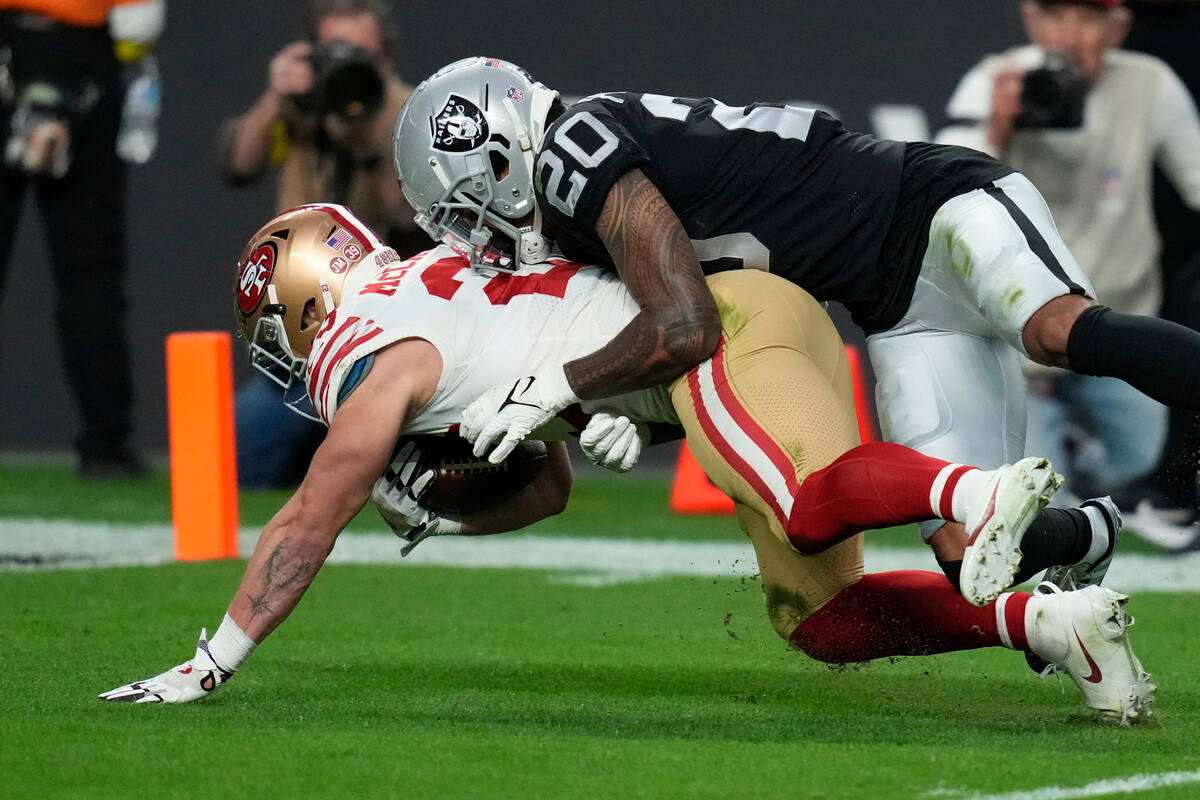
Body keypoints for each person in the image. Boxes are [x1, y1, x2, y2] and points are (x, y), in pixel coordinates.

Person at [99, 204, 1154, 725]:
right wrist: (459, 500)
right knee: (822, 621)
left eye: (277, 332)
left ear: (303, 309)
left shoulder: (378, 364)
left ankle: (972, 491)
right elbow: (549, 484)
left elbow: (305, 520)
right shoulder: (424, 286)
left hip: (717, 330)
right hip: (709, 348)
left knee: (808, 501)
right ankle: (1054, 623)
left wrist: (215, 659)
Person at [391, 56, 1200, 606]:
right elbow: (697, 345)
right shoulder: (574, 217)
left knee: (1054, 330)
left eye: (469, 203)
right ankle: (1089, 533)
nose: (478, 233)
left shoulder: (575, 148)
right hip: (898, 310)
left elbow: (685, 322)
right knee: (966, 553)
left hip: (934, 207)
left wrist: (562, 387)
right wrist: (634, 421)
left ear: (498, 149)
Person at [937, 0, 1200, 505]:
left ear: (1118, 28)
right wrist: (994, 127)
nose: (1070, 34)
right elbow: (934, 186)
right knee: (1036, 501)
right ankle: (1060, 461)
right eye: (1056, 16)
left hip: (1117, 329)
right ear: (1032, 20)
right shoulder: (996, 80)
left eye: (1088, 17)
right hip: (1015, 340)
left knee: (1141, 472)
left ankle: (1080, 459)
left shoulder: (1150, 84)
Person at [218, 0, 426, 488]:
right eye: (334, 52)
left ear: (387, 59)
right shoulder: (299, 107)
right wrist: (276, 95)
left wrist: (371, 142)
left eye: (361, 56)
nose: (347, 66)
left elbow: (411, 220)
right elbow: (236, 163)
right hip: (300, 347)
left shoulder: (412, 110)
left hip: (384, 343)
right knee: (222, 465)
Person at [0, 0, 163, 478]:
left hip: (14, 48)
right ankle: (106, 443)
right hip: (83, 54)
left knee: (92, 275)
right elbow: (140, 21)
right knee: (91, 273)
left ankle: (108, 439)